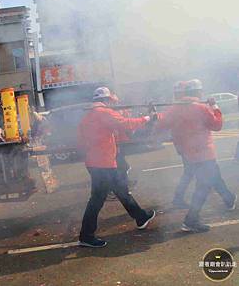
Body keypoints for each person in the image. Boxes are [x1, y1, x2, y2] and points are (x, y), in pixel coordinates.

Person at [77, 87, 156, 248]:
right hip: (103, 163)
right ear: (106, 100)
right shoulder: (104, 113)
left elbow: (83, 139)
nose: (112, 104)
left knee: (120, 191)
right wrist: (147, 118)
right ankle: (86, 235)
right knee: (97, 200)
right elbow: (126, 124)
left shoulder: (88, 116)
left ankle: (140, 217)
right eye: (111, 101)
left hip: (95, 162)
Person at [156, 80, 237, 232]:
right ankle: (191, 220)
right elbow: (217, 125)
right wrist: (215, 107)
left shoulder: (173, 110)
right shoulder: (201, 108)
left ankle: (229, 199)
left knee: (214, 177)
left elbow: (160, 127)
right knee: (203, 186)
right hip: (204, 153)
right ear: (195, 93)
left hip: (187, 154)